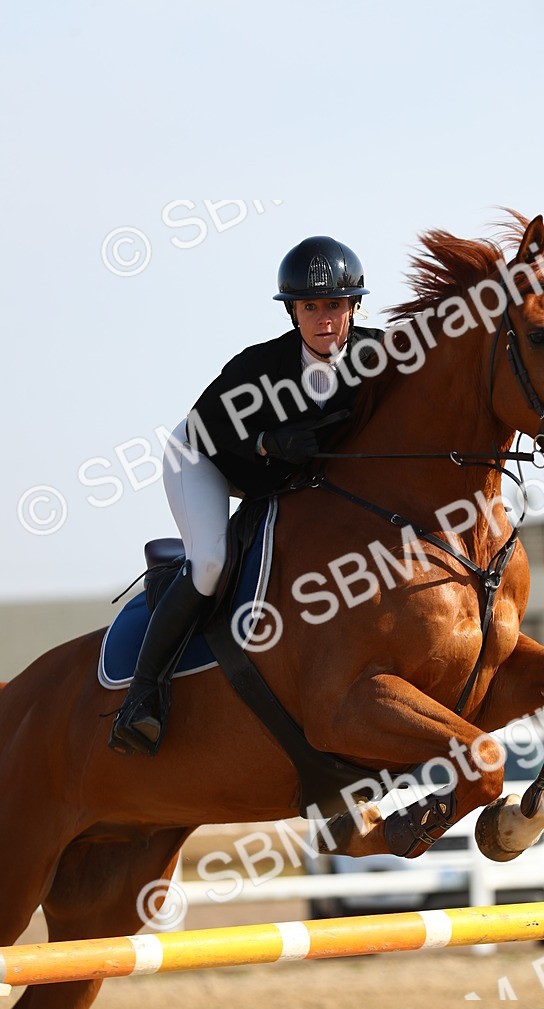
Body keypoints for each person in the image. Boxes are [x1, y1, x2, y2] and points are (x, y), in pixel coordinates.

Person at [109, 235, 382, 757]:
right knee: (212, 562)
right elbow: (206, 430)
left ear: (354, 308)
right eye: (309, 307)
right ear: (293, 314)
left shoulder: (378, 356)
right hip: (205, 458)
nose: (323, 319)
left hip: (283, 479)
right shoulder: (258, 366)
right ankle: (140, 697)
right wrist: (264, 441)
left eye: (334, 306)